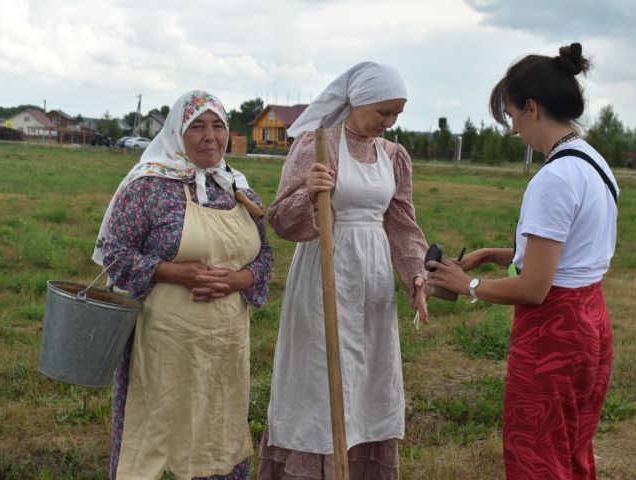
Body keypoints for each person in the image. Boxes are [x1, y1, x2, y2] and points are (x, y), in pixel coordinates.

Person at [427, 43, 618, 479]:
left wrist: (466, 285)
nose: (514, 129)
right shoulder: (594, 164)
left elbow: (535, 288)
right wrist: (496, 255)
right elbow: (572, 253)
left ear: (532, 108)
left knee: (537, 456)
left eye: (512, 116)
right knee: (572, 449)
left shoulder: (553, 179)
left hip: (554, 332)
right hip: (591, 321)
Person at [258, 61, 429, 480]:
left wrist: (417, 275)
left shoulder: (393, 155)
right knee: (321, 382)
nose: (388, 123)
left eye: (396, 116)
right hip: (325, 275)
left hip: (372, 286)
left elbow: (401, 223)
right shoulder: (317, 143)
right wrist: (311, 194)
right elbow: (280, 219)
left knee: (369, 382)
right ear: (357, 101)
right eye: (382, 113)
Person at [93, 90, 273, 480]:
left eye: (218, 126)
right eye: (198, 126)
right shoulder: (148, 187)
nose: (210, 136)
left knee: (217, 434)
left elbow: (265, 259)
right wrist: (176, 272)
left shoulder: (238, 189)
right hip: (163, 344)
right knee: (156, 438)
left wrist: (239, 279)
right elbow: (115, 254)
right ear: (177, 131)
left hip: (224, 346)